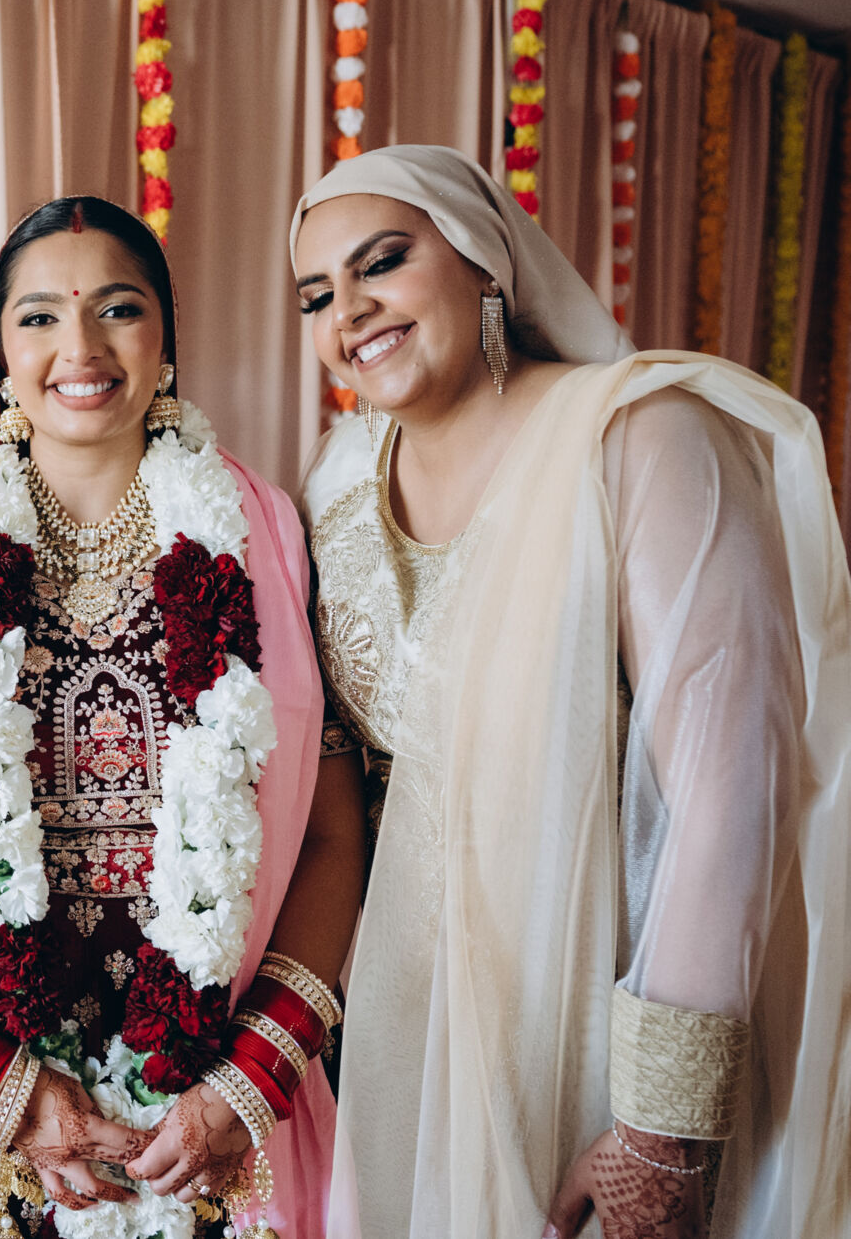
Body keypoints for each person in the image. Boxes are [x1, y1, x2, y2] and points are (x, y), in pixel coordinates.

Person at [291, 144, 851, 1238]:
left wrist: (662, 1124)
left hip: (604, 1013)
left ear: (485, 261)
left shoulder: (636, 436)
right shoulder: (335, 477)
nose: (349, 311)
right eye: (317, 294)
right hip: (397, 1036)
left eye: (382, 262)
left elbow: (735, 781)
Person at [0, 195, 366, 1238]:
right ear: (0, 349)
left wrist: (252, 1076)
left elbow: (334, 834)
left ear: (166, 338)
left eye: (118, 308)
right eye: (39, 317)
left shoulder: (264, 537)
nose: (79, 347)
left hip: (217, 1076)